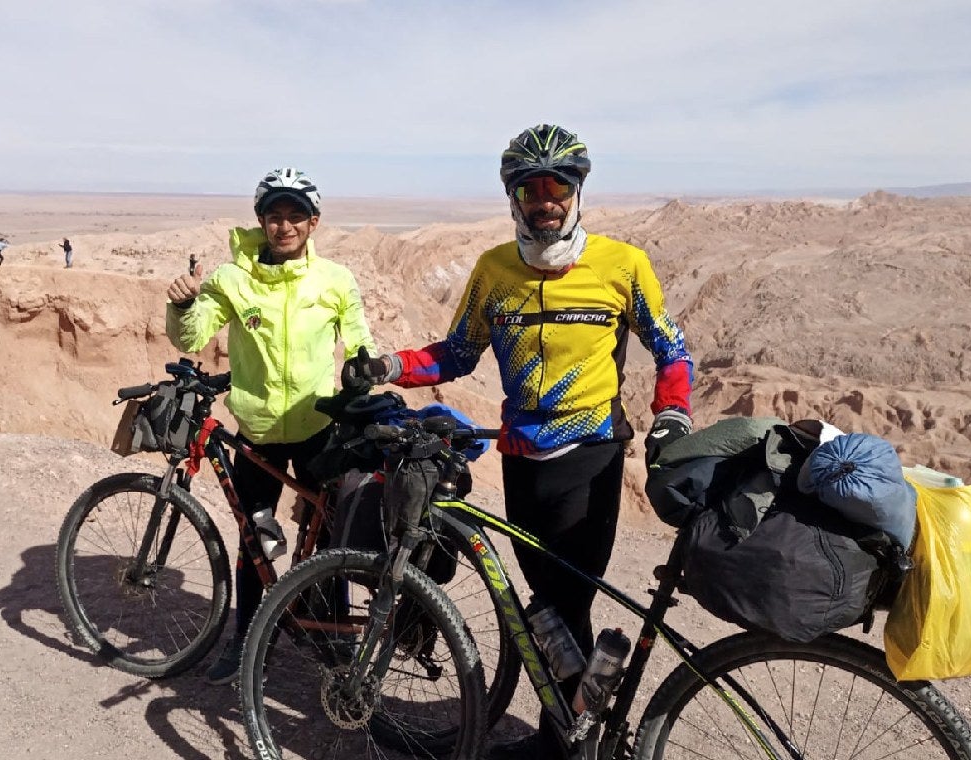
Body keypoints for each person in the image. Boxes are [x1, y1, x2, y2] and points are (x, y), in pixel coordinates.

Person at [343, 124, 694, 759]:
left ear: (578, 191)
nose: (546, 199)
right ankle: (575, 730)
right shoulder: (494, 270)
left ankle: (568, 741)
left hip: (591, 456)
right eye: (532, 188)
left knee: (570, 600)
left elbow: (671, 349)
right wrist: (390, 366)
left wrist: (672, 415)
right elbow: (457, 354)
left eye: (559, 185)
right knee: (543, 605)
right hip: (521, 459)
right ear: (514, 197)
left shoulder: (623, 265)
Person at [165, 167, 376, 685]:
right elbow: (191, 337)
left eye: (295, 215)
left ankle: (327, 633)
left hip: (317, 430)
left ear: (313, 222)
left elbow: (360, 342)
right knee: (253, 541)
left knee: (327, 539)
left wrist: (362, 378)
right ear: (260, 220)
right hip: (257, 435)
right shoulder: (232, 280)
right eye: (274, 215)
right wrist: (183, 303)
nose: (284, 226)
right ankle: (246, 639)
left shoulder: (334, 280)